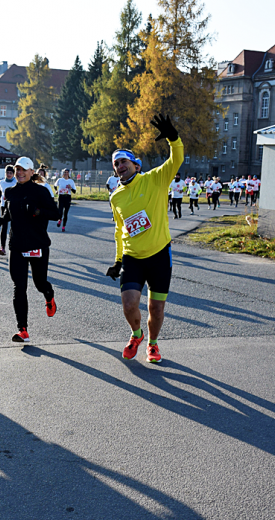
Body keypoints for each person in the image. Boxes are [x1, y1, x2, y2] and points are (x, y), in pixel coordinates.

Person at [106, 114, 183, 364]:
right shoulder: (115, 197)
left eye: (124, 161)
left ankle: (152, 343)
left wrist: (173, 137)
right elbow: (120, 230)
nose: (120, 166)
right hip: (133, 257)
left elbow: (177, 159)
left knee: (155, 308)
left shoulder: (155, 180)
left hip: (160, 254)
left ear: (136, 165)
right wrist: (118, 260)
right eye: (116, 164)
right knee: (129, 304)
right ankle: (137, 335)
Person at [0, 156, 61, 343]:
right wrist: (3, 218)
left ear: (32, 172)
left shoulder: (41, 192)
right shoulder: (10, 192)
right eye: (17, 169)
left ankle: (49, 296)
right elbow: (11, 211)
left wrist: (38, 211)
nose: (20, 173)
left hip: (37, 244)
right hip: (16, 245)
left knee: (40, 284)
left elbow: (55, 214)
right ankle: (22, 330)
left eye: (24, 169)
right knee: (19, 287)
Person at [0, 164, 17, 255]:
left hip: (13, 206)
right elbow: (0, 191)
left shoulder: (16, 182)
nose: (9, 174)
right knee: (4, 226)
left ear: (13, 174)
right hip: (4, 206)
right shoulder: (1, 182)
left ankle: (15, 247)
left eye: (10, 173)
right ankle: (2, 247)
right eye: (7, 173)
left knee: (14, 226)